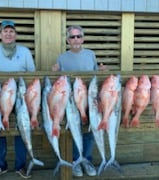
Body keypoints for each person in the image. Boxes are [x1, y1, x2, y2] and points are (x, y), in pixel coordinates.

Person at [0, 20, 36, 179]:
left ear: (16, 34)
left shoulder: (25, 52)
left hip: (20, 97)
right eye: (5, 31)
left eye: (11, 31)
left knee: (22, 129)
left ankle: (21, 165)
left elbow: (32, 75)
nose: (8, 34)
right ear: (0, 34)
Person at [52, 25, 106, 177]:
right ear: (67, 40)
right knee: (73, 131)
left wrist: (101, 71)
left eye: (78, 36)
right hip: (70, 102)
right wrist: (54, 72)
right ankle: (76, 161)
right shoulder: (62, 58)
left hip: (90, 100)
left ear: (83, 39)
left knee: (90, 131)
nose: (75, 39)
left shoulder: (90, 54)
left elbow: (95, 74)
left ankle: (86, 161)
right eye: (72, 37)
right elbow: (59, 82)